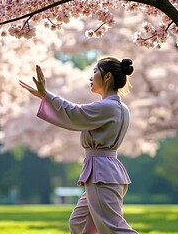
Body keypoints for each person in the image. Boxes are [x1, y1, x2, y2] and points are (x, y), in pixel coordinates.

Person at [19, 57, 138, 234]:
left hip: (101, 174)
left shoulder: (107, 107)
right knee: (80, 223)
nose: (91, 77)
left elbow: (75, 113)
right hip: (104, 172)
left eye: (95, 72)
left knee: (113, 228)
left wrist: (47, 95)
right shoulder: (119, 107)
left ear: (107, 77)